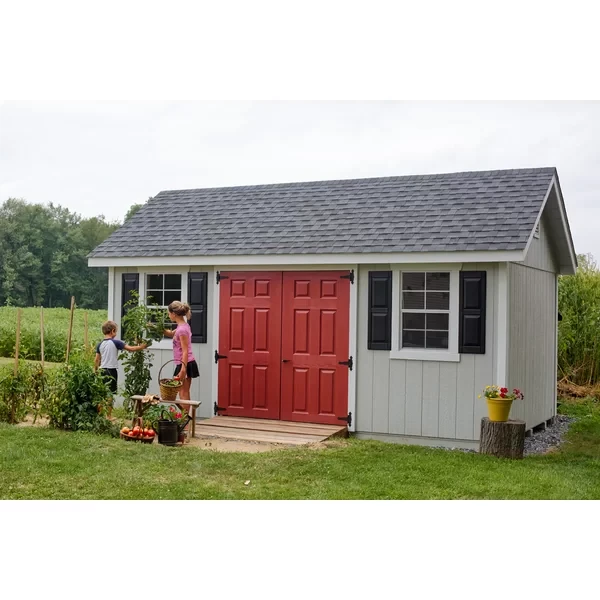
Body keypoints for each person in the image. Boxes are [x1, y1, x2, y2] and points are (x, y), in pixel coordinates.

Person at [94, 320, 147, 418]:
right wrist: (142, 346)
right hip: (111, 371)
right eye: (116, 331)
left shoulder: (100, 344)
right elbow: (131, 349)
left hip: (102, 370)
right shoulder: (116, 342)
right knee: (109, 394)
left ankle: (100, 416)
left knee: (102, 393)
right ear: (113, 331)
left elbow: (96, 360)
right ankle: (109, 416)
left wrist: (96, 371)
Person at [163, 301, 200, 413]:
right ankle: (185, 420)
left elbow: (185, 351)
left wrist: (183, 369)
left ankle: (185, 422)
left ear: (174, 314)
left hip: (185, 363)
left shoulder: (182, 329)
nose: (168, 315)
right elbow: (170, 334)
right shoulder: (182, 326)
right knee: (182, 392)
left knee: (183, 393)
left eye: (169, 313)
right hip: (184, 362)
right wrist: (157, 328)